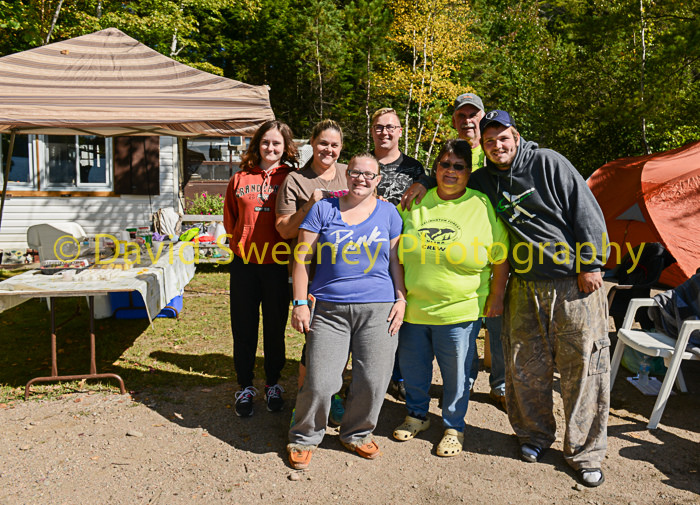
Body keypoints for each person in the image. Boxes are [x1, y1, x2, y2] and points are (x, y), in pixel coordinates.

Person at [469, 110, 609, 487]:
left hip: (573, 284)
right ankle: (533, 435)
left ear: (516, 135)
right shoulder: (483, 180)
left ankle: (585, 452)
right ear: (482, 146)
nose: (497, 146)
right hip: (523, 285)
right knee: (524, 366)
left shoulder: (549, 162)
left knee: (584, 367)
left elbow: (586, 210)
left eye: (503, 138)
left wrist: (591, 263)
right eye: (489, 141)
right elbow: (450, 188)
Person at [286, 153, 406, 469]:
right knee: (321, 381)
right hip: (328, 308)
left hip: (378, 308)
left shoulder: (390, 214)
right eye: (355, 173)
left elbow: (395, 262)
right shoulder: (323, 210)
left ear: (378, 180)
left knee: (373, 380)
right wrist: (299, 303)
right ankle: (304, 437)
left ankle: (356, 434)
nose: (361, 179)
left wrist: (401, 299)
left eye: (369, 174)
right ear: (347, 175)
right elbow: (301, 259)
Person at [393, 139, 509, 457]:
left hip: (460, 310)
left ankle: (453, 426)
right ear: (435, 168)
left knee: (457, 375)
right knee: (413, 368)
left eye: (458, 166)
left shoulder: (482, 206)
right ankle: (416, 416)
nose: (451, 171)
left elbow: (500, 257)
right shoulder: (416, 201)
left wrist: (496, 296)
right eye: (445, 164)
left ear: (468, 172)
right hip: (415, 308)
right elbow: (395, 253)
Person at [400, 92, 507, 410]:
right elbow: (434, 178)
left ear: (483, 118)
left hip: (496, 241)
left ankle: (499, 384)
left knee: (498, 323)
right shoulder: (450, 152)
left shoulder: (494, 149)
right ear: (454, 120)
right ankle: (466, 378)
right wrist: (420, 181)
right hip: (458, 247)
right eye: (462, 115)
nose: (467, 120)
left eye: (473, 114)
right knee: (466, 324)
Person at [275, 119, 348, 425]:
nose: (328, 149)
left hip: (348, 271)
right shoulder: (296, 180)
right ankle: (305, 399)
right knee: (314, 341)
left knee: (344, 338)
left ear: (341, 148)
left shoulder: (349, 172)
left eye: (334, 145)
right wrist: (310, 204)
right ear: (312, 145)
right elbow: (283, 230)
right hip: (312, 271)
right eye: (322, 143)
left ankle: (334, 394)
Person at [223, 120, 298, 417]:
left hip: (277, 263)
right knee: (243, 327)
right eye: (265, 142)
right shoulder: (240, 178)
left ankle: (273, 383)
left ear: (285, 147)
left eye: (276, 143)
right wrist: (238, 244)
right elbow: (229, 218)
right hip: (245, 263)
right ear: (257, 145)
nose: (270, 147)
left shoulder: (291, 178)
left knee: (274, 328)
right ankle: (244, 385)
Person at [370, 107, 425, 401]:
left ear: (401, 131)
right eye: (379, 127)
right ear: (372, 131)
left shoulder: (416, 170)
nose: (385, 132)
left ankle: (399, 376)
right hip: (366, 255)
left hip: (404, 252)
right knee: (372, 316)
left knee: (403, 316)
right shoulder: (363, 164)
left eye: (391, 127)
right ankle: (372, 375)